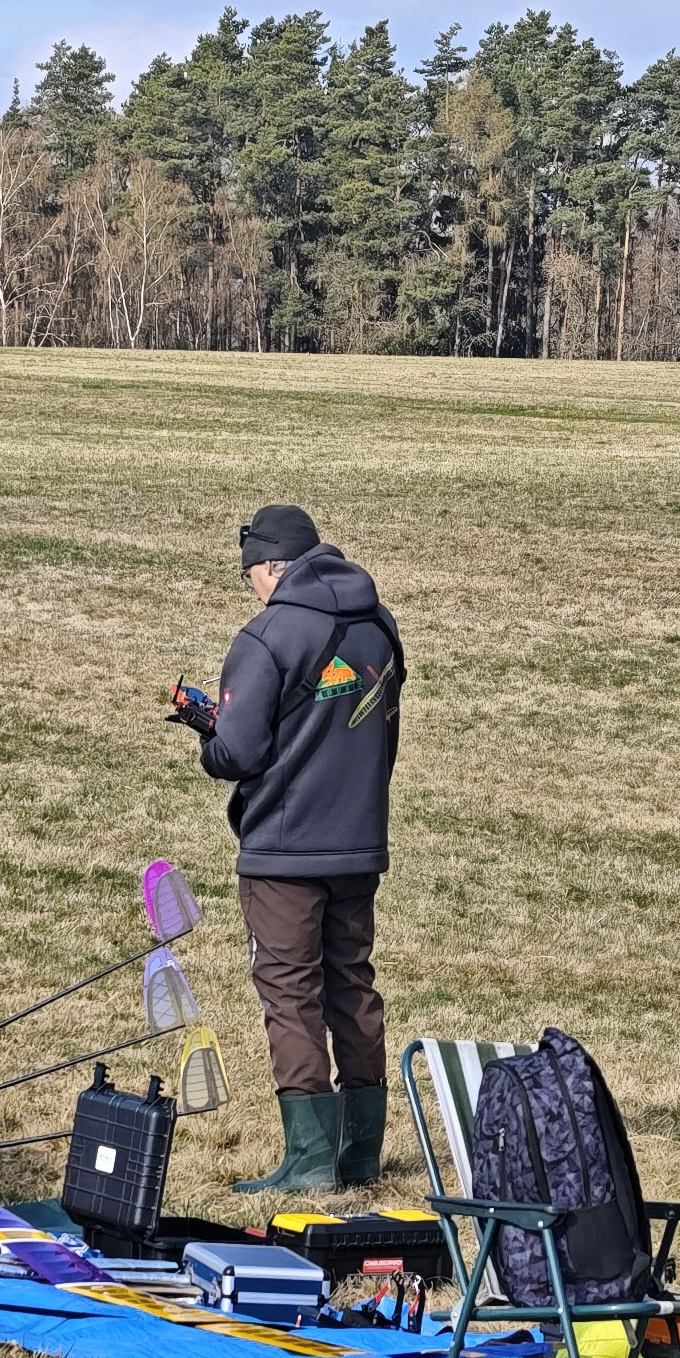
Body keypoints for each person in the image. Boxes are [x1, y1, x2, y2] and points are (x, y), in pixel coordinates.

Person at [167, 504, 404, 1194]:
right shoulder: (378, 624)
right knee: (352, 984)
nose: (253, 591)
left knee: (291, 991)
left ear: (270, 566)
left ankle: (309, 1159)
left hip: (284, 850)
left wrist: (209, 734)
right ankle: (360, 1152)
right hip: (359, 841)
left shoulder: (267, 636)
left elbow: (238, 752)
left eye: (251, 577)